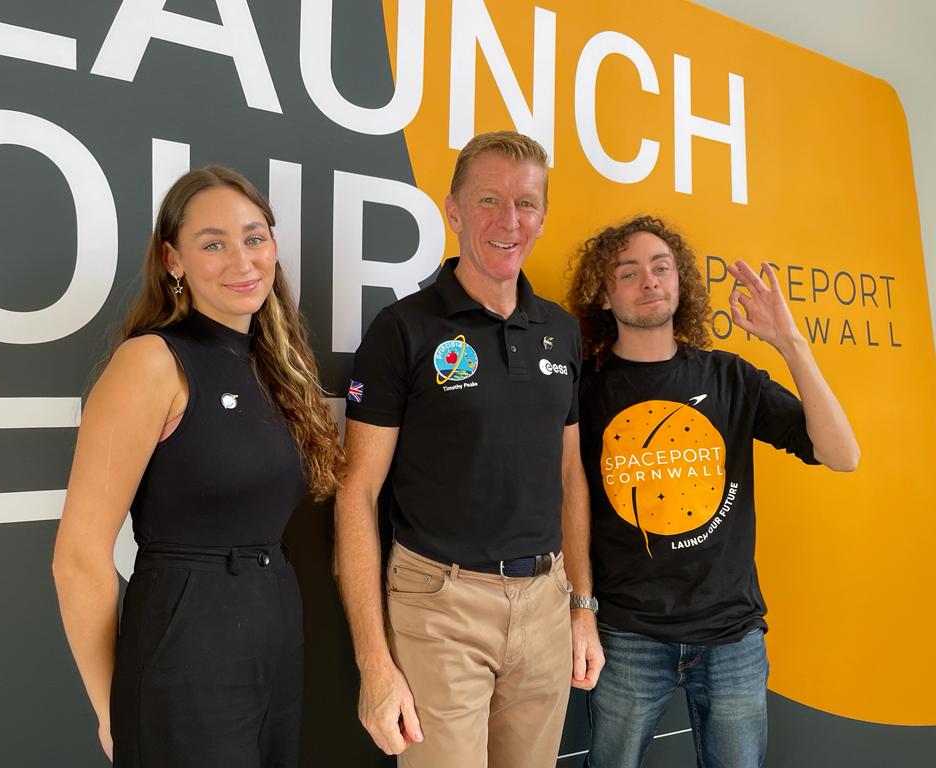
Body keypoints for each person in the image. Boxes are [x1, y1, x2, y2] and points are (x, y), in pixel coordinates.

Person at [52, 166, 342, 767]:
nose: (242, 260)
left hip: (273, 633)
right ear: (173, 260)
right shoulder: (152, 363)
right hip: (185, 647)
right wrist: (115, 709)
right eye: (213, 243)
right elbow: (77, 560)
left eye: (254, 237)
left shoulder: (275, 369)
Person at [334, 130, 603, 768]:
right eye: (488, 200)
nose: (509, 221)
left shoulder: (560, 331)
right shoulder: (404, 330)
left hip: (544, 604)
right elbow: (357, 492)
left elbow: (570, 477)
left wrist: (581, 607)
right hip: (439, 606)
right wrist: (375, 664)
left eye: (527, 203)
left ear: (542, 216)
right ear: (453, 212)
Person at [565, 216, 859, 768]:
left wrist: (790, 344)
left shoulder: (729, 377)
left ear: (680, 282)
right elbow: (565, 499)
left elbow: (842, 456)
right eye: (628, 273)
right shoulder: (583, 388)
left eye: (661, 267)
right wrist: (581, 609)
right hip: (628, 635)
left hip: (733, 637)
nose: (649, 281)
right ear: (604, 296)